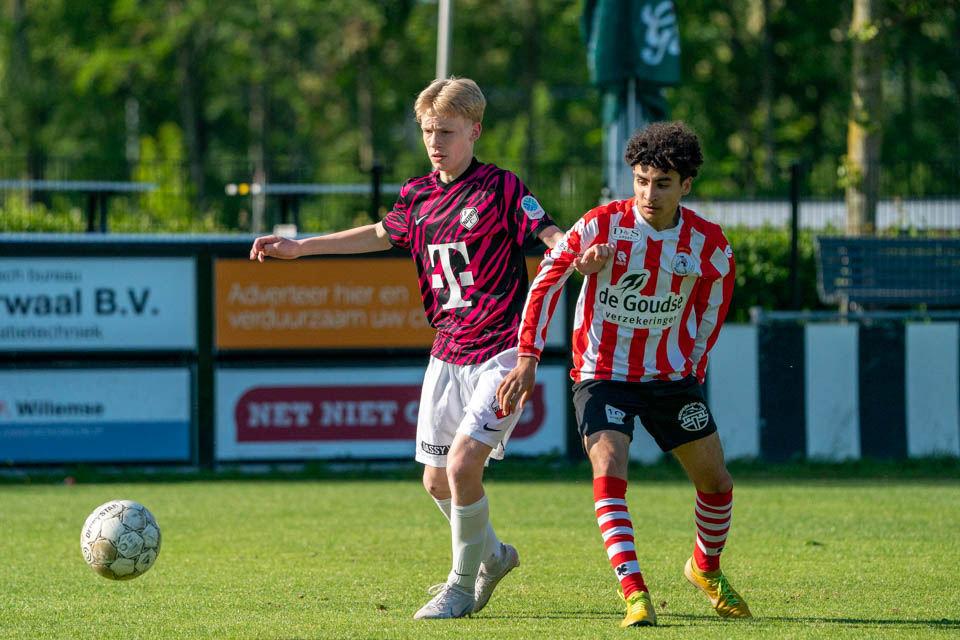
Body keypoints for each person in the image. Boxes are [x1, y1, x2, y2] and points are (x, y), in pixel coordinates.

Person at [250, 77, 602, 620]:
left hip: (500, 352)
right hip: (446, 353)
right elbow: (377, 234)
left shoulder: (501, 187)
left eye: (447, 132)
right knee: (435, 480)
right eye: (428, 131)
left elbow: (547, 231)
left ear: (474, 131)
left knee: (462, 467)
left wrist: (574, 253)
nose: (435, 142)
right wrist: (300, 248)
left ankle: (460, 587)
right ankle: (494, 557)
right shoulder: (417, 194)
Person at [496, 121, 752, 627]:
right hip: (601, 372)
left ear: (686, 185)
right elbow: (545, 283)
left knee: (717, 482)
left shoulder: (708, 244)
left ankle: (705, 568)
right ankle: (635, 592)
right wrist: (527, 358)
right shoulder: (600, 225)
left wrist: (694, 365)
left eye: (662, 183)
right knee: (609, 468)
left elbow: (713, 305)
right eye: (641, 180)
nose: (648, 194)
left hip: (670, 377)